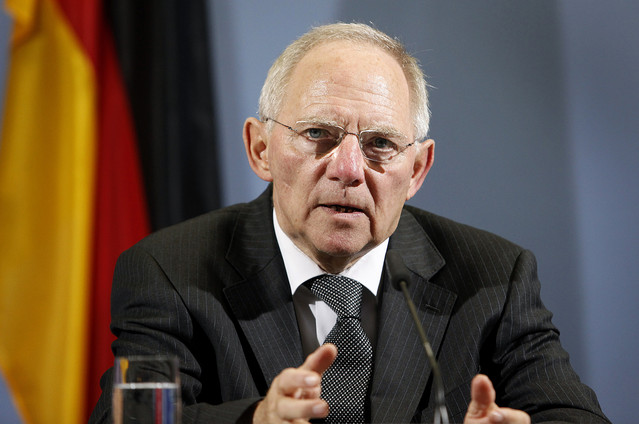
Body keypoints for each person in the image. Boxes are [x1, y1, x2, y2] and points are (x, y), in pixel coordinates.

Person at [90, 23, 610, 424]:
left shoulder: (494, 278)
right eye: (318, 133)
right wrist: (256, 420)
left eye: (380, 143)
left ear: (417, 170)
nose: (348, 169)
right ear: (260, 148)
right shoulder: (170, 271)